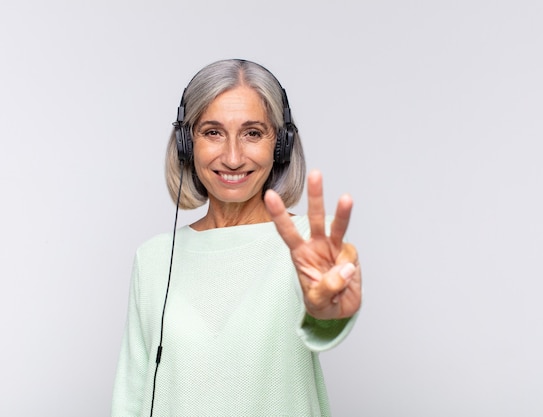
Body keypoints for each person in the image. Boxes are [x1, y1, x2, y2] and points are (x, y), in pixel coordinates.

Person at [111, 59, 362, 416]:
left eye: (253, 133)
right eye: (213, 132)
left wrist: (325, 312)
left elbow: (324, 312)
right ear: (187, 143)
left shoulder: (308, 245)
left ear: (281, 145)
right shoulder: (153, 258)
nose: (232, 157)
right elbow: (131, 396)